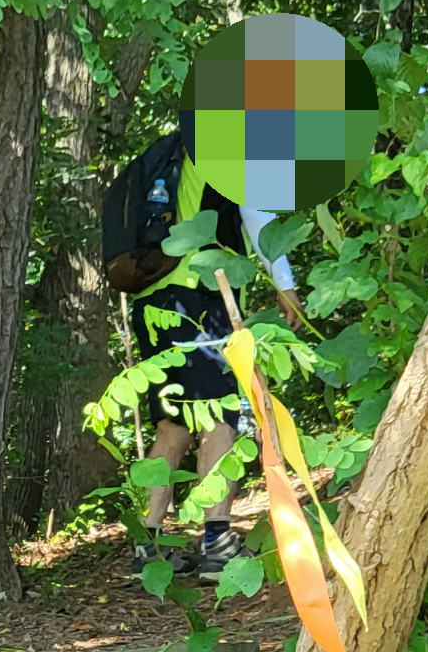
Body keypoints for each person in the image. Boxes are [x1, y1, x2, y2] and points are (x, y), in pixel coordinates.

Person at [122, 130, 307, 585]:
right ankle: (218, 541)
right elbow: (256, 216)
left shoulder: (168, 153)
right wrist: (284, 282)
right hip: (199, 299)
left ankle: (148, 546)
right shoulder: (227, 147)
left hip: (151, 302)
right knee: (218, 417)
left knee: (173, 424)